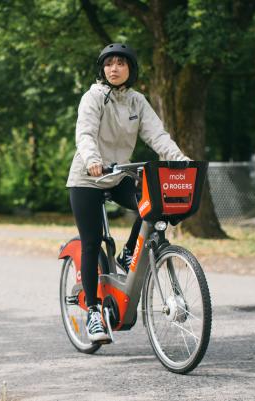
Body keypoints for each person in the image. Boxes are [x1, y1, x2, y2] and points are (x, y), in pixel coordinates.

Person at [66, 43, 190, 342]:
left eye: (121, 63)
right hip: (88, 176)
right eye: (109, 64)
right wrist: (93, 160)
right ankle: (94, 312)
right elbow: (84, 132)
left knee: (152, 206)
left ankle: (127, 254)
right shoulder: (93, 97)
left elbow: (157, 134)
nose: (114, 68)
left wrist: (180, 159)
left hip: (119, 173)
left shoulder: (137, 101)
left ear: (130, 70)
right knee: (92, 241)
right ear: (103, 69)